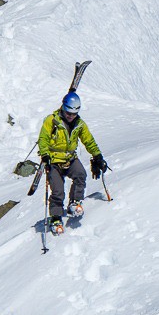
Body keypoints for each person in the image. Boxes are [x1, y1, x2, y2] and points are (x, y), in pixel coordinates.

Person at [37, 91, 109, 234]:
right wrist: (45, 155)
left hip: (70, 158)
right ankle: (56, 218)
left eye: (74, 114)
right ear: (63, 108)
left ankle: (74, 202)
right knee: (57, 190)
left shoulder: (80, 124)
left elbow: (89, 140)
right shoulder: (52, 121)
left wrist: (98, 156)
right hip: (53, 161)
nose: (71, 116)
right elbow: (43, 139)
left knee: (80, 174)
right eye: (68, 113)